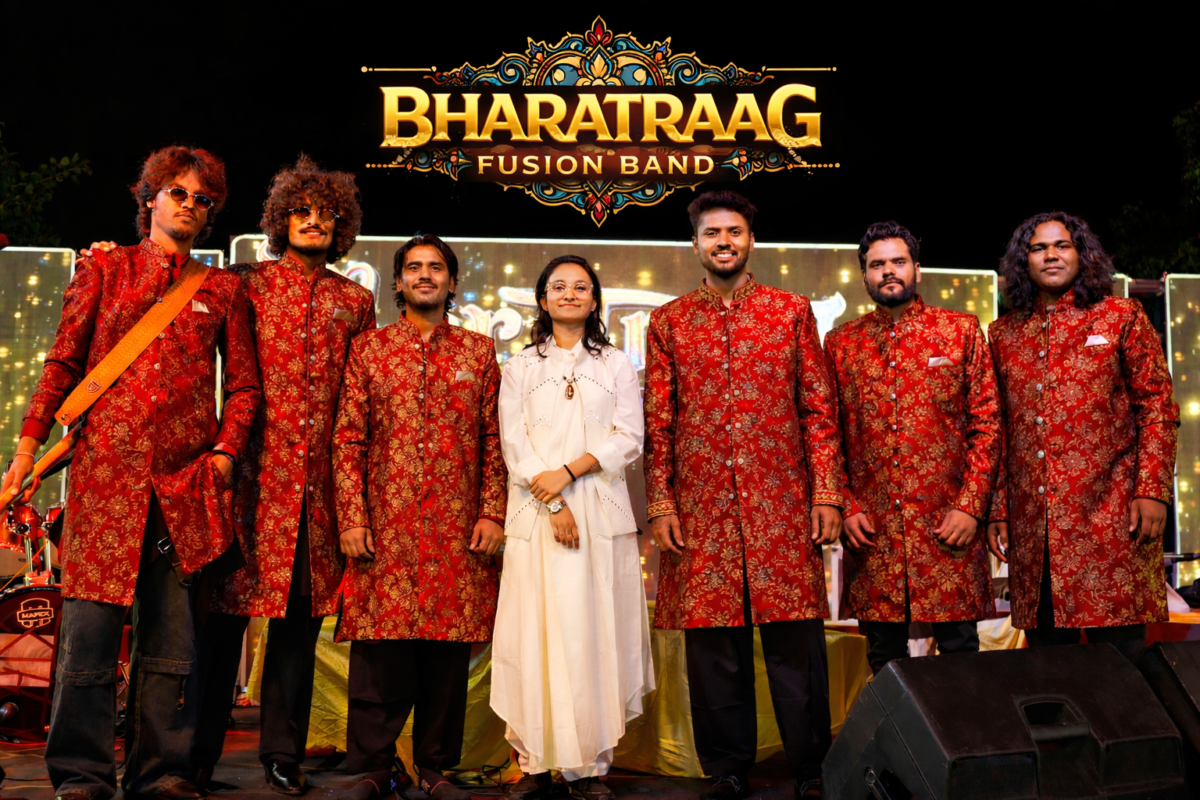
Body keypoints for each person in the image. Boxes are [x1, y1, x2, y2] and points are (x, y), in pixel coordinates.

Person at [0, 146, 261, 800]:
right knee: (87, 639)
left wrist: (224, 455)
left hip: (183, 489)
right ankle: (81, 774)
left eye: (203, 199)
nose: (190, 206)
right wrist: (27, 450)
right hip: (103, 482)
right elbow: (63, 363)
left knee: (172, 646)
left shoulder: (223, 289)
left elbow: (246, 388)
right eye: (178, 193)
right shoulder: (105, 267)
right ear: (149, 198)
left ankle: (161, 774)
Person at [644, 191, 844, 800]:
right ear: (695, 245)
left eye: (733, 231)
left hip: (781, 507)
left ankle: (812, 770)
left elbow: (818, 411)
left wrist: (827, 493)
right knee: (714, 652)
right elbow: (659, 422)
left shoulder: (790, 311)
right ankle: (727, 770)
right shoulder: (669, 321)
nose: (723, 242)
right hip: (701, 511)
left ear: (751, 239)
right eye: (712, 233)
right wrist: (662, 503)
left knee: (795, 648)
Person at [192, 156, 375, 794]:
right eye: (301, 211)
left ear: (341, 225)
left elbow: (359, 401)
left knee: (297, 632)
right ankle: (195, 759)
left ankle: (281, 757)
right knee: (220, 628)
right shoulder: (245, 283)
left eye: (326, 214)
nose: (313, 221)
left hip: (315, 495)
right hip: (246, 484)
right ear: (280, 220)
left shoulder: (356, 300)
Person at [332, 234, 506, 800]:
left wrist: (492, 512)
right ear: (399, 281)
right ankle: (372, 769)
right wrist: (352, 517)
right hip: (384, 528)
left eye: (436, 267)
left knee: (445, 657)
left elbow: (494, 440)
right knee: (380, 654)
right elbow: (348, 438)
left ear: (452, 282)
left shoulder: (479, 352)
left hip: (457, 531)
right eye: (414, 267)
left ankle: (434, 770)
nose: (425, 275)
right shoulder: (370, 350)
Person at [493, 256, 654, 800]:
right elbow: (514, 445)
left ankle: (588, 767)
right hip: (538, 513)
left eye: (580, 287)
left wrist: (568, 473)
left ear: (594, 300)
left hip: (599, 513)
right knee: (533, 630)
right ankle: (534, 763)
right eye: (558, 286)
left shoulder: (616, 364)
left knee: (595, 632)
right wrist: (555, 500)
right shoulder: (519, 367)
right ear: (542, 299)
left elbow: (629, 437)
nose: (569, 294)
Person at [987, 211, 1178, 662]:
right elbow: (997, 429)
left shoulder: (1120, 316)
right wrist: (997, 508)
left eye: (1062, 245)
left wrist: (1152, 491)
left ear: (1082, 254)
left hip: (1113, 518)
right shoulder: (1003, 334)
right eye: (1038, 248)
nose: (1051, 255)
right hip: (1036, 531)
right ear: (1023, 261)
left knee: (1123, 663)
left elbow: (1157, 408)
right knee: (1050, 669)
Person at [824, 221, 1002, 674]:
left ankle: (963, 726)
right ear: (863, 276)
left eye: (898, 261)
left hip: (949, 526)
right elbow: (826, 434)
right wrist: (845, 505)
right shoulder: (841, 344)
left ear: (917, 270)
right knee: (884, 659)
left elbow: (987, 424)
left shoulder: (960, 331)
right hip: (873, 530)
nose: (888, 271)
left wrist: (971, 507)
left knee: (960, 653)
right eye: (877, 264)